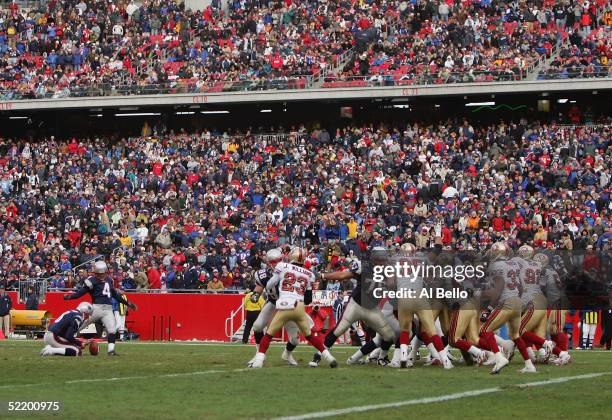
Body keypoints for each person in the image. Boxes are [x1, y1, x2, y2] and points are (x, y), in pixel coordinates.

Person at [249, 248, 337, 368]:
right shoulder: (267, 273)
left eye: (279, 260)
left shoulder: (283, 267)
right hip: (274, 302)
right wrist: (255, 295)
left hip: (287, 304)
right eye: (274, 261)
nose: (277, 263)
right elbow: (259, 288)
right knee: (258, 326)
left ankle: (287, 354)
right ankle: (258, 354)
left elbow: (270, 284)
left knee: (295, 339)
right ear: (269, 263)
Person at [64, 260, 137, 356]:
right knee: (79, 325)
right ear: (95, 273)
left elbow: (116, 295)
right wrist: (70, 297)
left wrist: (127, 303)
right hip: (96, 308)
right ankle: (65, 341)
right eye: (99, 274)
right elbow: (80, 293)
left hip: (108, 309)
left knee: (112, 330)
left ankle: (111, 351)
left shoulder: (109, 280)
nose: (101, 276)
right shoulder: (92, 281)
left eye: (102, 274)